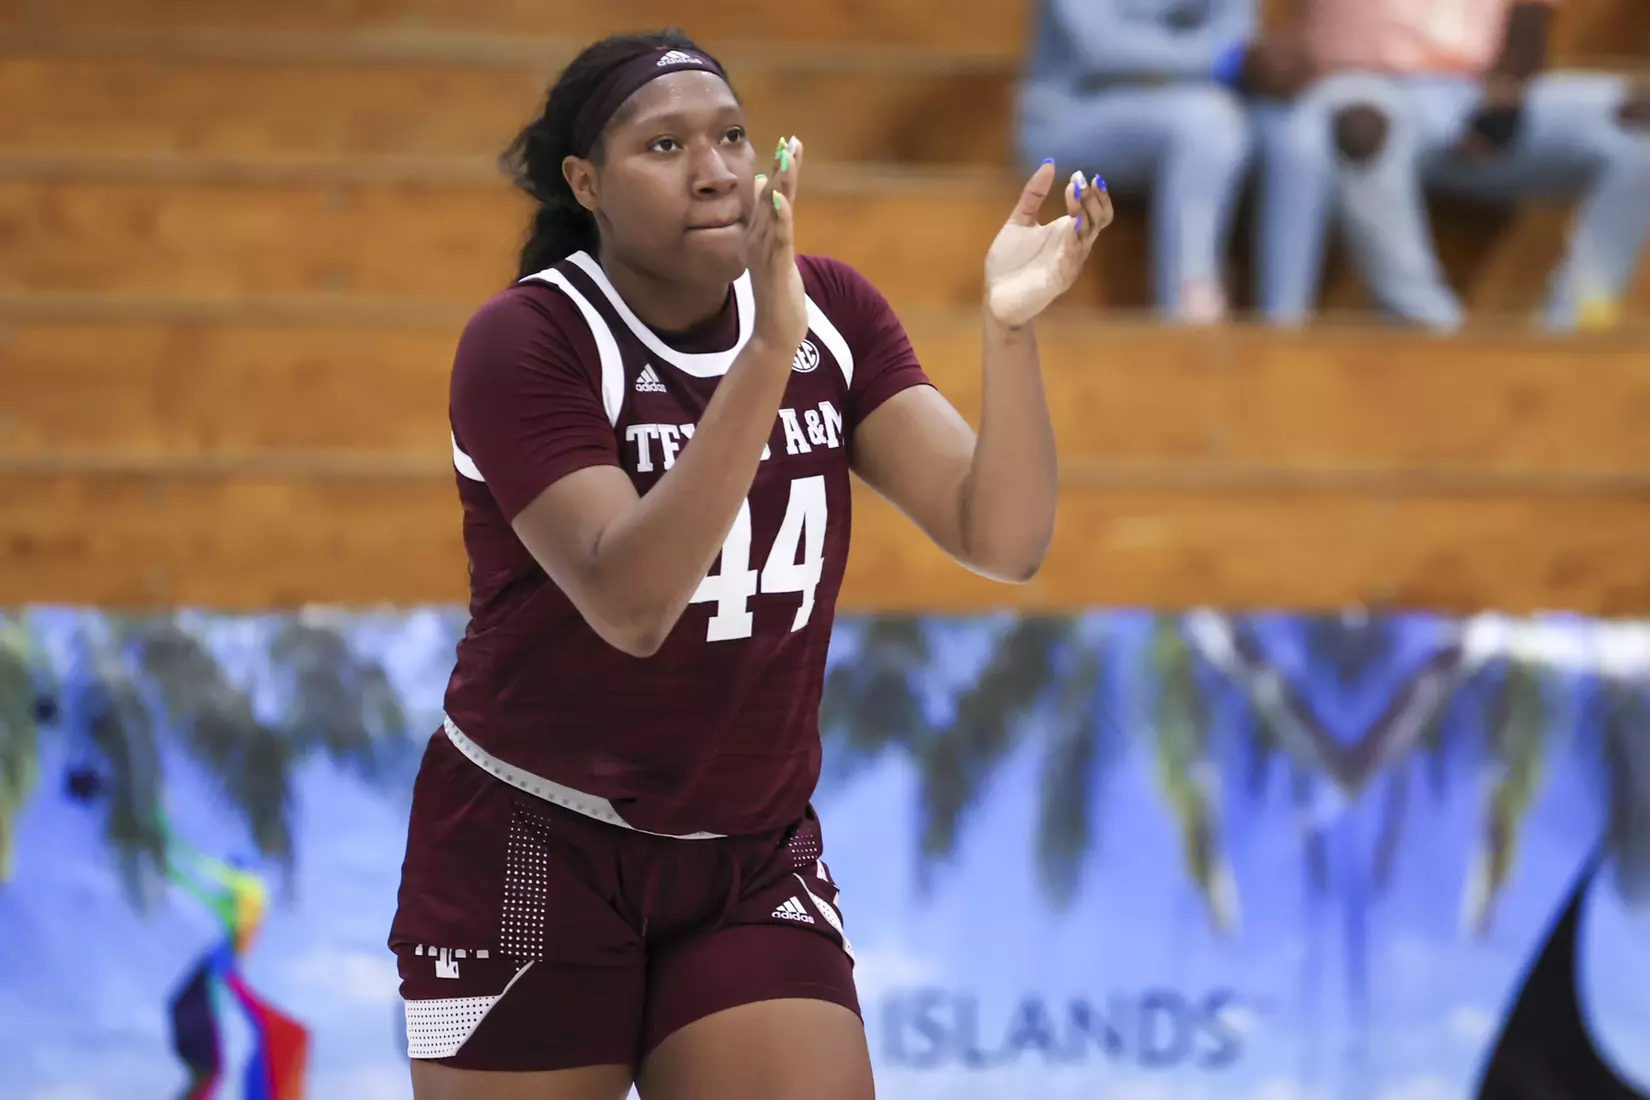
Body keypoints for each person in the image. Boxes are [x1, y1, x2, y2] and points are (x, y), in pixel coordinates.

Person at [387, 28, 1114, 1100]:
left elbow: (999, 535)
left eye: (730, 135)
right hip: (531, 839)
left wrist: (1009, 329)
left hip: (747, 852)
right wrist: (767, 351)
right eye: (666, 145)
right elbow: (631, 602)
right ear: (586, 181)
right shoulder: (528, 342)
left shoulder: (835, 311)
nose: (717, 166)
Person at [1254, 0, 1650, 329]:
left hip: (1478, 90)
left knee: (1640, 125)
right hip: (1361, 82)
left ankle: (1576, 323)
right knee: (1362, 127)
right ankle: (1425, 325)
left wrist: (1506, 93)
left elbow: (1530, 15)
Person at [1015, 0, 1291, 322]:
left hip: (1201, 106)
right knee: (1208, 125)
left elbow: (1238, 33)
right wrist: (1215, 59)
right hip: (1072, 114)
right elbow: (1102, 48)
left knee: (1295, 133)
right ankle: (1189, 310)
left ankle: (1289, 325)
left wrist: (1227, 58)